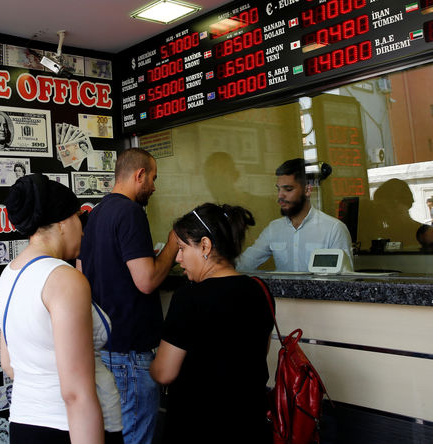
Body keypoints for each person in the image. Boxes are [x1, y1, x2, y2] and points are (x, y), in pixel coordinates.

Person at [0, 173, 122, 443]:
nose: (83, 229)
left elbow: (9, 363)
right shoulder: (64, 279)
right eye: (79, 217)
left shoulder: (9, 273)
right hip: (71, 429)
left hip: (24, 422)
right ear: (63, 222)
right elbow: (76, 394)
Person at [78, 147, 179, 444]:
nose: (154, 187)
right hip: (130, 354)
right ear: (139, 175)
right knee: (136, 437)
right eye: (153, 179)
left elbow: (84, 273)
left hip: (103, 349)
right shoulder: (131, 212)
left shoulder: (94, 215)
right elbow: (146, 280)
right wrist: (173, 246)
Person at [150, 203, 274, 442]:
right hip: (250, 424)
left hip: (199, 425)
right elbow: (259, 352)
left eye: (183, 248)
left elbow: (164, 372)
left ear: (205, 245)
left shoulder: (189, 297)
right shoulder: (260, 291)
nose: (178, 258)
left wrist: (150, 367)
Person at [237, 158, 352, 272]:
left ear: (307, 190)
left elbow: (345, 281)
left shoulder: (333, 229)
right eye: (279, 189)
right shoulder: (273, 229)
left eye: (288, 189)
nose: (280, 196)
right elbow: (244, 264)